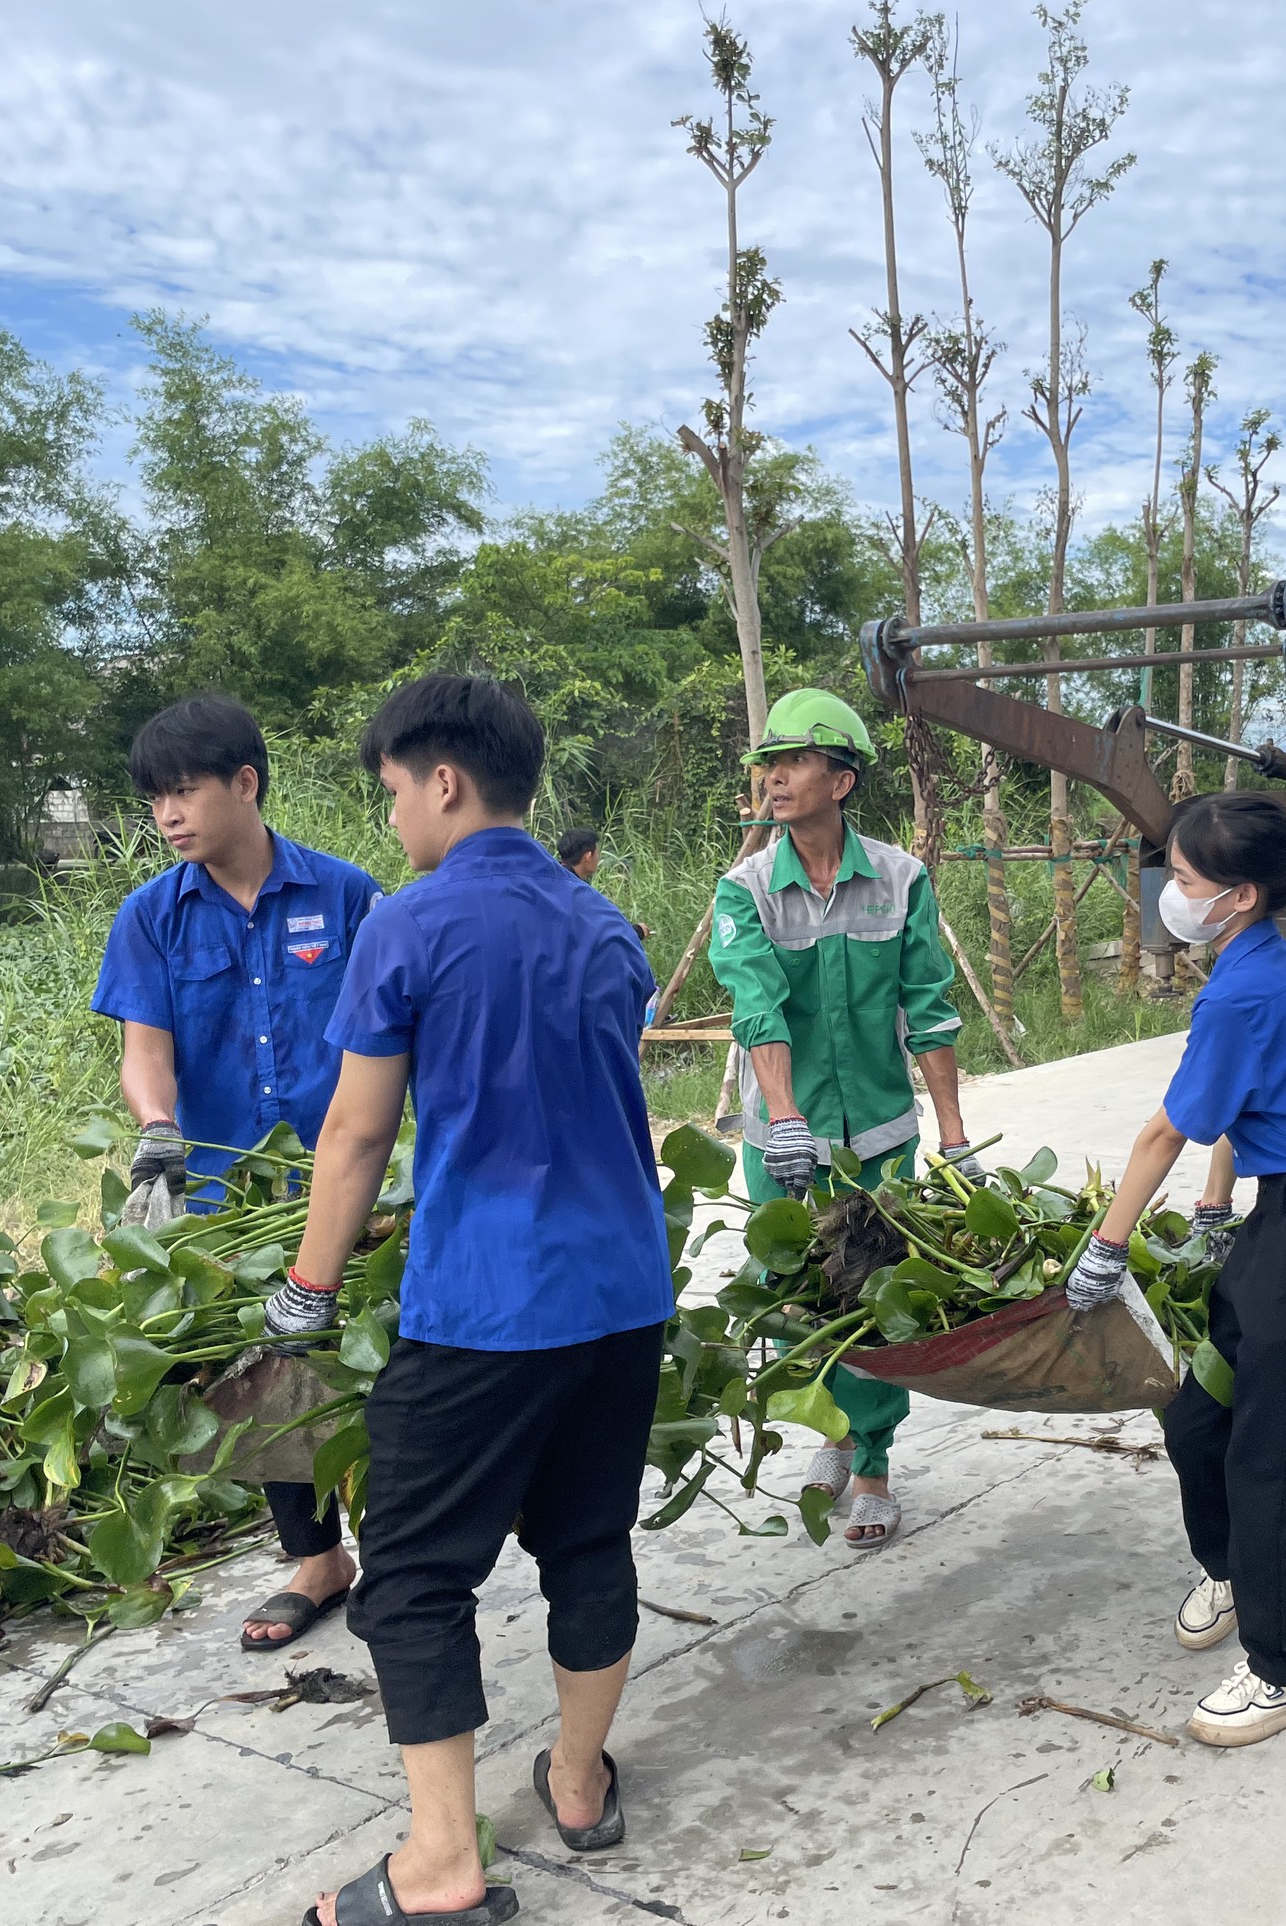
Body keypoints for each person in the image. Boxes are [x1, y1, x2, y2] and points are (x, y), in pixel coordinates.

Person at [290, 674, 672, 1926]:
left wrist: (310, 1284)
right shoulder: (609, 925)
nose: (393, 816)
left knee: (408, 1575)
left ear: (441, 780)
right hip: (621, 1293)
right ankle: (574, 1783)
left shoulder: (408, 925)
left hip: (486, 1308)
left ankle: (443, 1865)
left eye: (392, 790)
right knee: (586, 1540)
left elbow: (354, 1135)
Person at [1068, 792, 1286, 1747]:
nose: (1174, 893)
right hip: (1280, 1219)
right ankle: (1235, 1571)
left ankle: (1283, 1673)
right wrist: (1215, 1211)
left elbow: (1170, 1124)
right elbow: (1249, 1110)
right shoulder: (1265, 968)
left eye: (1189, 880)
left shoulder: (1248, 988)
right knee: (1196, 1410)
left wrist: (1107, 1248)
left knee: (1268, 1458)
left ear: (1238, 896)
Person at [89, 695, 384, 1658]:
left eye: (183, 792)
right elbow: (146, 1047)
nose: (167, 816)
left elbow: (398, 1035)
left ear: (244, 784)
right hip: (227, 1198)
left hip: (350, 1176)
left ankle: (402, 1555)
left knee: (378, 1367)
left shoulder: (346, 896)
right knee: (263, 1373)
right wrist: (158, 1129)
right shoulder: (151, 916)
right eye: (154, 800)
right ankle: (316, 1561)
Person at [709, 688, 970, 1551]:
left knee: (875, 1304)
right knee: (799, 1306)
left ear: (842, 780)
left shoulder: (901, 879)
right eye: (767, 765)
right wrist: (784, 1118)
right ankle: (831, 1430)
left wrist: (957, 1140)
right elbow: (759, 1007)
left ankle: (875, 1466)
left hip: (881, 1142)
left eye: (793, 763)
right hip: (784, 1145)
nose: (774, 778)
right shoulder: (745, 890)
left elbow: (928, 1010)